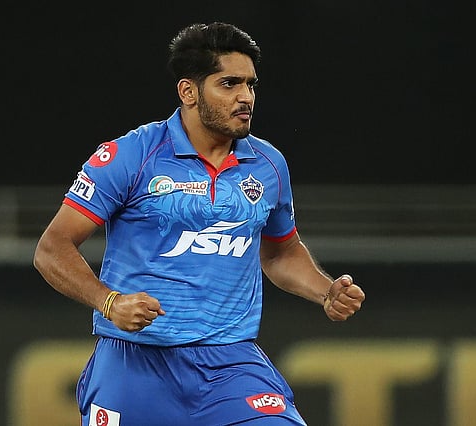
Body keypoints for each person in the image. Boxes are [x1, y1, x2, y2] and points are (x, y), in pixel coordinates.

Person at [33, 21, 365, 425]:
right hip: (134, 362)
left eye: (251, 84)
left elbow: (280, 252)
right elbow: (52, 248)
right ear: (188, 92)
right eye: (229, 84)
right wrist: (110, 302)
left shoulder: (268, 165)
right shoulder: (132, 156)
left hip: (231, 364)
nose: (245, 97)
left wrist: (325, 291)